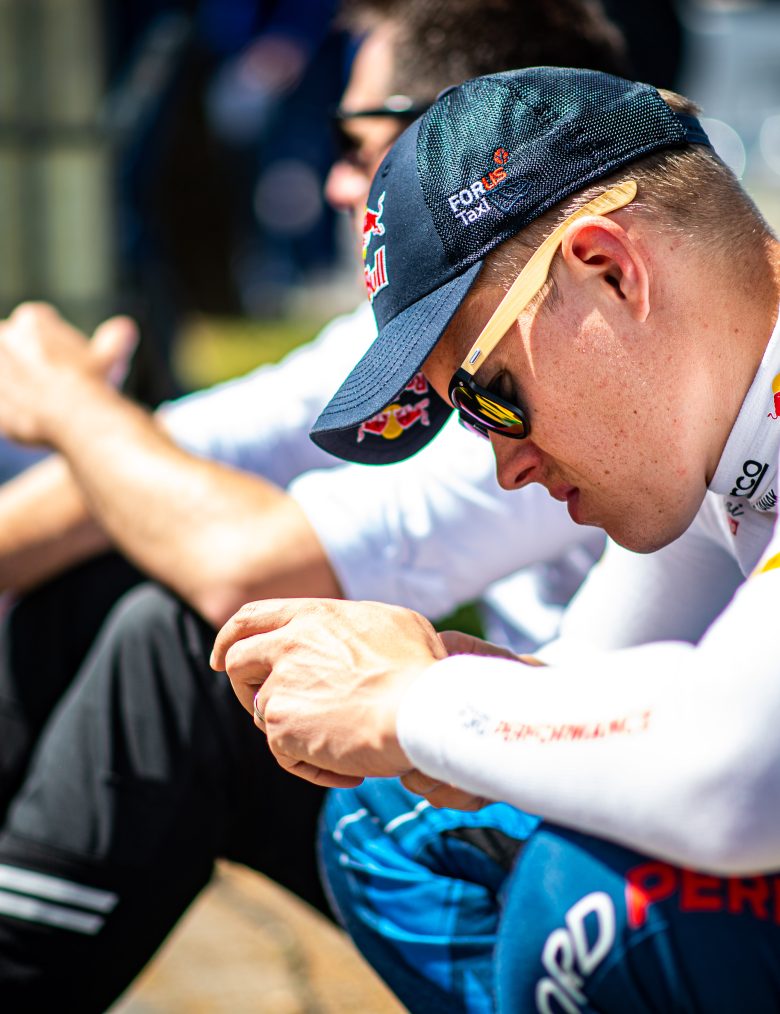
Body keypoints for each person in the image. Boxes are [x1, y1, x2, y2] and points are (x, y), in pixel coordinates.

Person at [0, 3, 627, 1008]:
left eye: (355, 140)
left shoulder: (559, 346)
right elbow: (149, 467)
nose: (335, 181)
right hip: (540, 754)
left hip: (594, 823)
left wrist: (70, 403)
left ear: (468, 144)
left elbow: (242, 564)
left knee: (188, 641)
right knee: (121, 572)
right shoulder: (440, 314)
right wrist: (83, 427)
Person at [212, 68, 780, 1011]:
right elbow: (583, 686)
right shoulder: (727, 426)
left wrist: (414, 698)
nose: (507, 467)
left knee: (594, 901)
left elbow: (738, 777)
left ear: (609, 270)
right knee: (390, 818)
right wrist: (434, 697)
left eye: (489, 398)